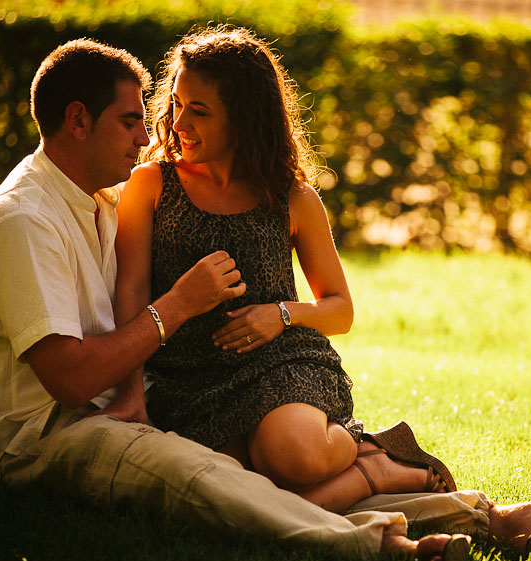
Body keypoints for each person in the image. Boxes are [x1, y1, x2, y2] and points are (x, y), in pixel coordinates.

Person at [0, 37, 531, 561]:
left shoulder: (97, 198)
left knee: (268, 469)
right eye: (137, 119)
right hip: (48, 434)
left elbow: (330, 303)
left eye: (179, 113)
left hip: (189, 386)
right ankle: (398, 542)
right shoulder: (27, 220)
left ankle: (508, 519)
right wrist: (169, 327)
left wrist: (269, 319)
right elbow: (70, 377)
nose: (155, 132)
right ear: (78, 121)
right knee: (213, 481)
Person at [114, 25, 455, 514]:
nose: (179, 121)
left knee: (293, 459)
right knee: (242, 490)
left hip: (282, 363)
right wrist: (132, 393)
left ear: (245, 118)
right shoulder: (151, 184)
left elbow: (340, 311)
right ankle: (376, 471)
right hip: (189, 378)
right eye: (177, 102)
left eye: (200, 111)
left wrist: (282, 314)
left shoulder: (291, 197)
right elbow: (129, 293)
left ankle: (366, 451)